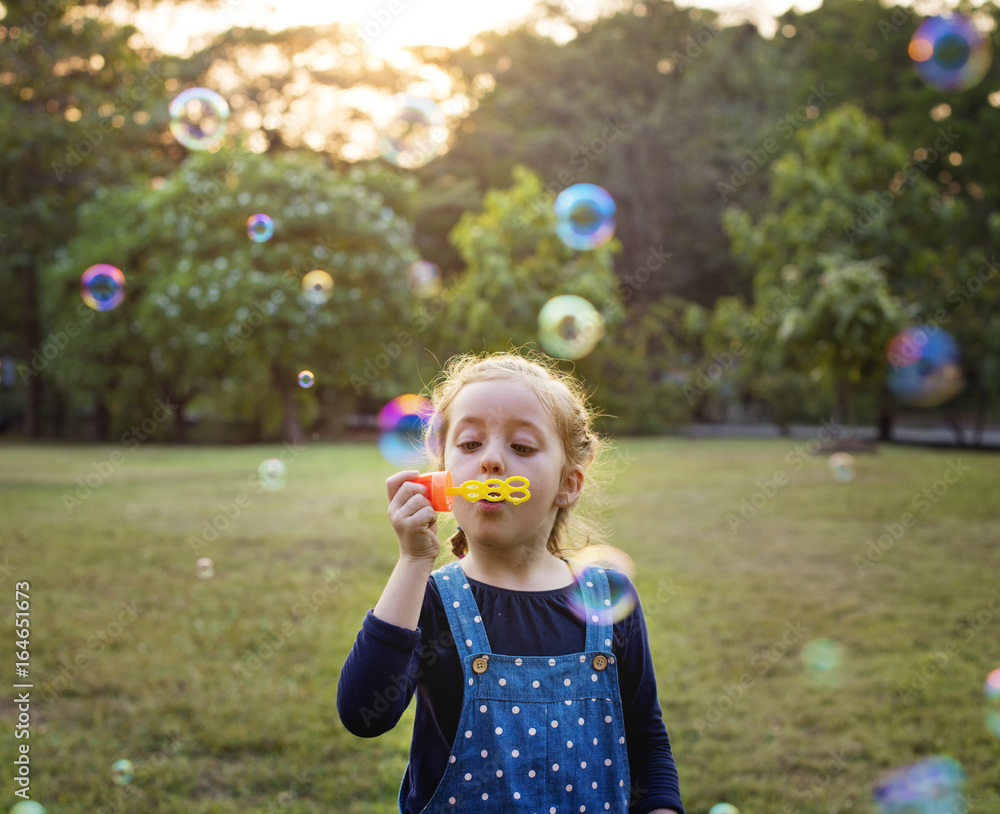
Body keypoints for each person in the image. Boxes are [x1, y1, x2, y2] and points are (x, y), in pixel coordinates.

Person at [338, 351, 684, 814]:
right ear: (442, 480)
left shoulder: (604, 596)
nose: (492, 462)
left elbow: (645, 739)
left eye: (521, 447)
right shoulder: (431, 599)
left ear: (569, 484)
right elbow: (364, 714)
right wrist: (413, 560)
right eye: (469, 444)